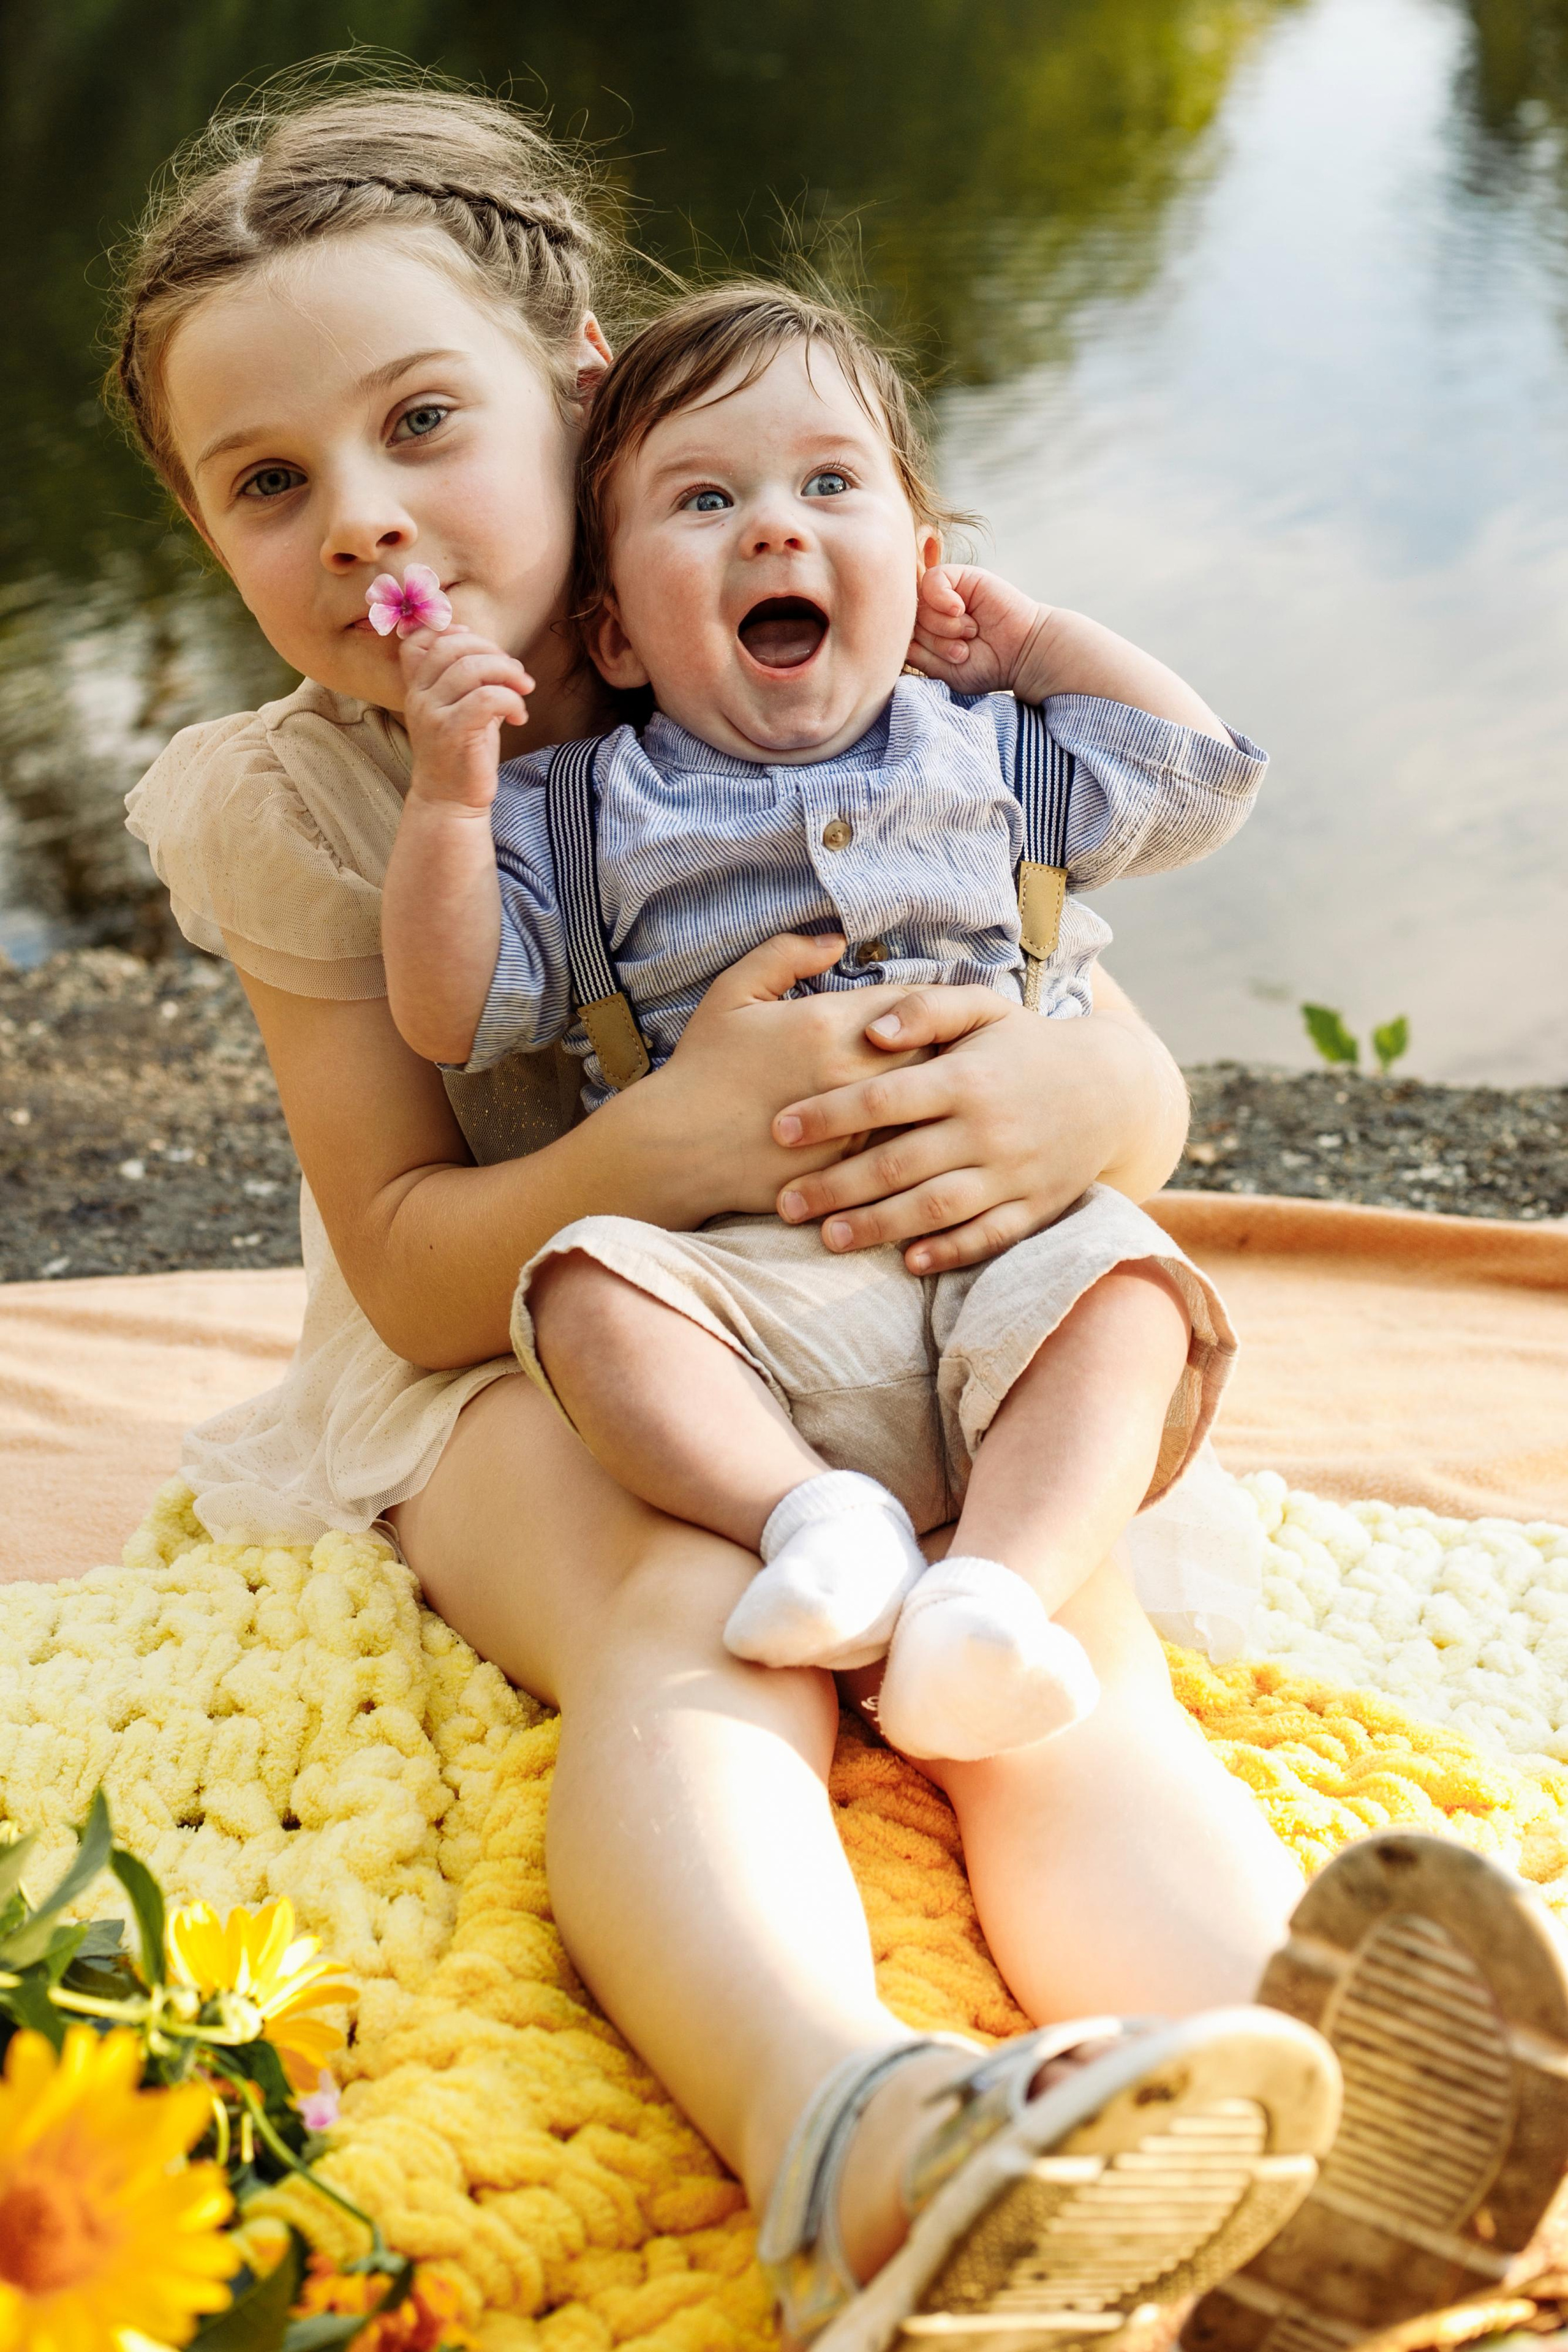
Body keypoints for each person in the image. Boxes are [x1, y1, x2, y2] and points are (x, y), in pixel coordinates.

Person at [115, 75, 1568, 2352]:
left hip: (901, 1321)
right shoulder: (308, 791)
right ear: (201, 526)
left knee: (1057, 1665)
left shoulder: (818, 621)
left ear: (582, 391)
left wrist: (1090, 1081)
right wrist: (655, 1153)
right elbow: (406, 1261)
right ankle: (857, 2135)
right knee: (689, 1618)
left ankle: (1322, 2135)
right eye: (267, 484)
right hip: (520, 1353)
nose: (362, 519)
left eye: (423, 422)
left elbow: (1106, 1062)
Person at [377, 278, 1265, 1766]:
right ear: (612, 633)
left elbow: (1199, 781)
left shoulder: (987, 751)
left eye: (827, 485)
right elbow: (451, 1009)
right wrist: (448, 799)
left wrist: (1036, 643)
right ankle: (812, 1519)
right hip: (756, 1296)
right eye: (706, 499)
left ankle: (987, 1600)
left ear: (916, 568)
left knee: (1131, 1299)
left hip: (1008, 1249)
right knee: (587, 1292)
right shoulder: (588, 810)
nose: (775, 528)